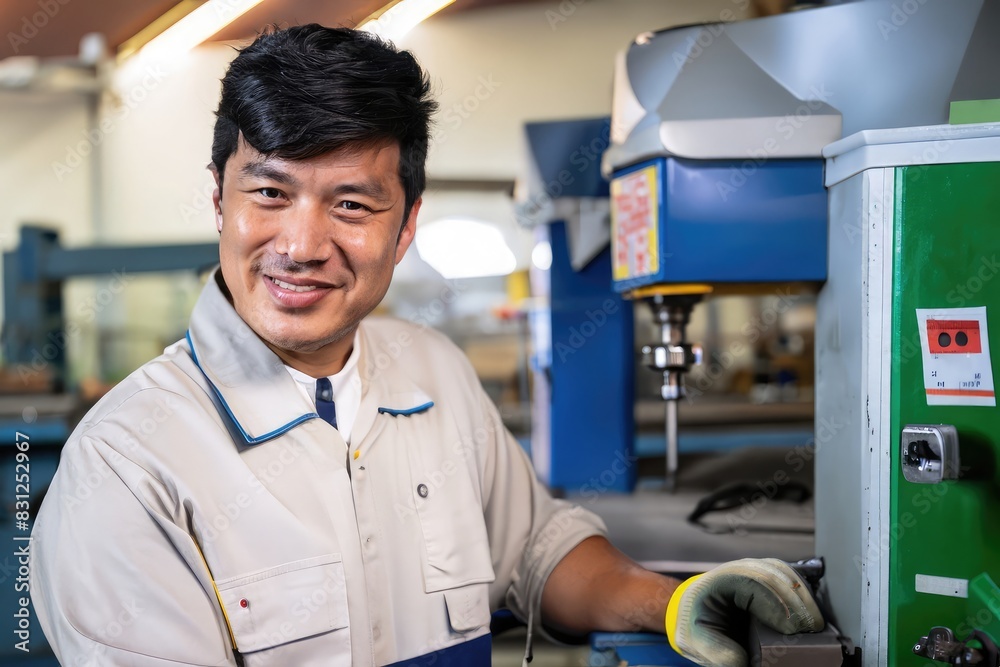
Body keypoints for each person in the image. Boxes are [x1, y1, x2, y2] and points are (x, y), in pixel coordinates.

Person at [29, 24, 823, 667]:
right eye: (269, 192)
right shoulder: (127, 468)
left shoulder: (433, 370)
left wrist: (672, 601)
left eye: (351, 203)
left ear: (406, 225)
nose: (302, 244)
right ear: (219, 199)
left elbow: (536, 550)